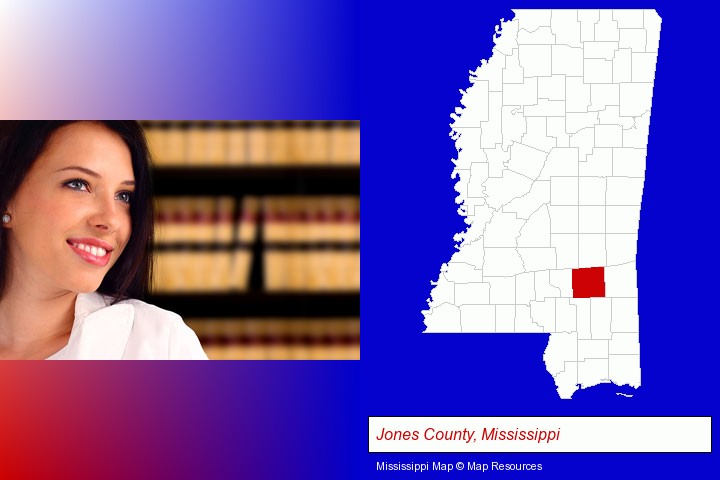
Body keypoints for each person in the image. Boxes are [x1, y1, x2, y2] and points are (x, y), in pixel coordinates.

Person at [0, 121, 207, 359]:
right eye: (78, 184)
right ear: (7, 197)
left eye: (124, 196)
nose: (111, 220)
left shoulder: (160, 345)